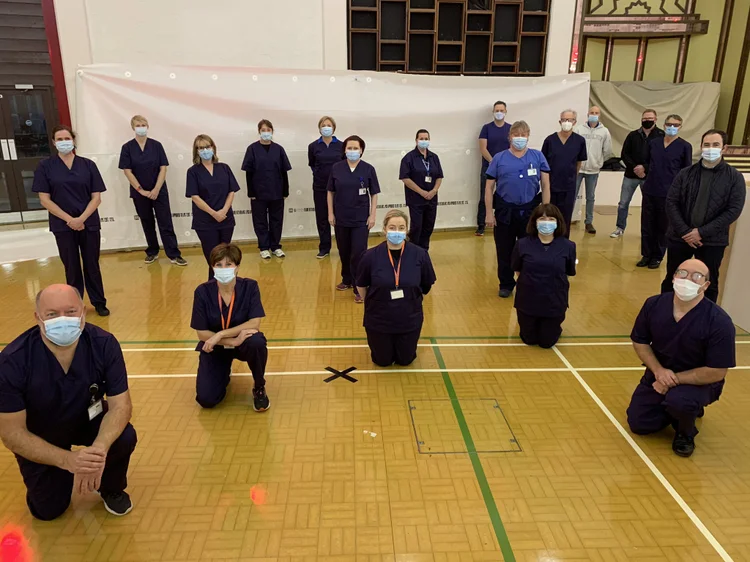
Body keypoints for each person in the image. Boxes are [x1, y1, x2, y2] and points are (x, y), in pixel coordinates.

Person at [0, 284, 137, 520]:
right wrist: (67, 460)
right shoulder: (12, 361)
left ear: (83, 312)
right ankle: (56, 473)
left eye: (71, 311)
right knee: (48, 510)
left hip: (87, 417)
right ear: (38, 318)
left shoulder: (104, 344)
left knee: (124, 436)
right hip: (40, 432)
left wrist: (99, 450)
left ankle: (111, 487)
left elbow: (121, 406)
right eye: (52, 314)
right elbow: (11, 433)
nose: (62, 320)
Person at [626, 259, 735, 457]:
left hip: (698, 382)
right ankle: (683, 409)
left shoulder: (719, 322)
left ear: (706, 285)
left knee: (681, 401)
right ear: (674, 276)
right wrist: (659, 372)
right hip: (659, 374)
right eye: (682, 273)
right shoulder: (654, 304)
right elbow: (640, 342)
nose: (688, 279)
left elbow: (717, 371)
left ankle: (685, 432)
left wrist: (672, 381)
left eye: (696, 276)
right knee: (639, 423)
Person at [33, 126, 110, 317]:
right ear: (53, 142)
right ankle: (73, 305)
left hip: (88, 222)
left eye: (67, 138)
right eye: (59, 139)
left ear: (74, 140)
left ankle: (99, 302)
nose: (64, 141)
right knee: (71, 265)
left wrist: (82, 218)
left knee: (92, 264)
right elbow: (45, 199)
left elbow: (96, 197)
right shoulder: (45, 166)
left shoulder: (88, 165)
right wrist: (70, 220)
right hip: (63, 225)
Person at [661, 129, 746, 302]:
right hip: (680, 238)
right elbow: (671, 202)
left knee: (710, 283)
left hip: (712, 241)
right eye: (706, 145)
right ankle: (665, 315)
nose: (710, 148)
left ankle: (705, 320)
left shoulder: (735, 178)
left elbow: (733, 210)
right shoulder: (685, 174)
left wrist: (701, 232)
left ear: (724, 148)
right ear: (701, 146)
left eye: (715, 145)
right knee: (673, 279)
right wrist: (685, 232)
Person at [190, 243, 270, 412]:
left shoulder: (250, 287)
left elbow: (254, 323)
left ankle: (259, 386)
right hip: (216, 348)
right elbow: (202, 333)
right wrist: (231, 341)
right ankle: (222, 372)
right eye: (218, 265)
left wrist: (220, 334)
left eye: (228, 264)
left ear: (237, 267)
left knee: (256, 341)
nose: (223, 268)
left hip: (243, 343)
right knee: (206, 400)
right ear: (212, 267)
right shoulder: (202, 292)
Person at [356, 209, 436, 366]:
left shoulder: (420, 254)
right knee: (382, 361)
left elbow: (426, 285)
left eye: (401, 227)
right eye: (392, 227)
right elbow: (361, 284)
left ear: (407, 230)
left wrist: (411, 300)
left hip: (409, 319)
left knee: (405, 360)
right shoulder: (370, 256)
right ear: (385, 229)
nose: (396, 232)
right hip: (379, 319)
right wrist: (374, 302)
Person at [485, 120, 551, 299]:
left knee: (529, 250)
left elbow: (545, 184)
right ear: (510, 137)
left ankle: (527, 282)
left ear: (528, 136)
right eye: (516, 135)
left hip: (529, 212)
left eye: (523, 135)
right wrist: (489, 213)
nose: (519, 138)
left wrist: (545, 212)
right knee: (504, 250)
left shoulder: (537, 157)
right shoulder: (499, 158)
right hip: (505, 211)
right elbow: (489, 187)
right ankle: (506, 283)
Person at [118, 115, 187, 266]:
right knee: (147, 222)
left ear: (148, 126)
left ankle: (174, 254)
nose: (141, 127)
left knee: (165, 222)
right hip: (139, 192)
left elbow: (163, 167)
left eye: (144, 124)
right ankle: (152, 251)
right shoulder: (127, 148)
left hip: (159, 191)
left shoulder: (157, 145)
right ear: (133, 127)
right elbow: (127, 171)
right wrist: (140, 190)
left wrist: (156, 189)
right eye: (138, 125)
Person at [511, 204, 576, 348]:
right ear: (534, 221)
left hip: (553, 302)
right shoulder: (522, 244)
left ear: (558, 222)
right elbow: (518, 270)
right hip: (528, 301)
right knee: (529, 339)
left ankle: (553, 326)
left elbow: (568, 271)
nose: (546, 222)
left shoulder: (568, 246)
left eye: (551, 218)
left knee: (547, 342)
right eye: (542, 218)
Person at [327, 135, 380, 303]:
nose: (352, 151)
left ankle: (359, 286)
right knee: (344, 251)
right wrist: (330, 213)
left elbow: (374, 193)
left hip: (360, 219)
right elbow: (330, 192)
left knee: (359, 253)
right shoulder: (336, 168)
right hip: (341, 217)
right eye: (349, 148)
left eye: (355, 148)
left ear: (361, 150)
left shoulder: (368, 169)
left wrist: (372, 215)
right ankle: (347, 279)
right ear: (344, 150)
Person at [638, 114, 692, 270]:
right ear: (664, 125)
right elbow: (647, 163)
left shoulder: (684, 146)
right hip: (650, 189)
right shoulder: (654, 143)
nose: (672, 127)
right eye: (669, 124)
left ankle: (657, 256)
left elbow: (686, 171)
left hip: (669, 192)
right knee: (647, 224)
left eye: (675, 124)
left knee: (663, 226)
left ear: (680, 126)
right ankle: (646, 254)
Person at [186, 134, 240, 280]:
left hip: (225, 219)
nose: (205, 150)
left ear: (213, 148)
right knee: (213, 259)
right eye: (201, 148)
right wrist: (213, 213)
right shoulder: (193, 172)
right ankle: (212, 290)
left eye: (207, 147)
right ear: (196, 151)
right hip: (205, 222)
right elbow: (195, 197)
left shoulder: (224, 168)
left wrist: (223, 211)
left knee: (228, 258)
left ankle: (231, 285)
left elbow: (231, 191)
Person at [242, 119, 292, 260]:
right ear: (259, 132)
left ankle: (276, 246)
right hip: (258, 192)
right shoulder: (252, 149)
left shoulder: (279, 149)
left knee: (277, 219)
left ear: (272, 131)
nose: (266, 133)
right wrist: (251, 192)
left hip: (277, 191)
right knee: (260, 220)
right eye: (263, 130)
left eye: (268, 130)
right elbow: (248, 172)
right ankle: (264, 247)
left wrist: (285, 191)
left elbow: (284, 171)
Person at [611, 109, 664, 238]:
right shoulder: (632, 135)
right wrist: (635, 167)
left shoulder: (661, 135)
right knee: (623, 203)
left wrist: (645, 168)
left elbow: (660, 157)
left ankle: (648, 230)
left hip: (649, 176)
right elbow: (625, 154)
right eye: (645, 118)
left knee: (648, 205)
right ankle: (620, 227)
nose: (647, 121)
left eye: (650, 118)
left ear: (656, 119)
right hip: (630, 175)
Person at [541, 109, 588, 235]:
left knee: (565, 218)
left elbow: (578, 163)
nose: (566, 122)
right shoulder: (550, 140)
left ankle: (563, 245)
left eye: (570, 119)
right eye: (564, 119)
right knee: (549, 217)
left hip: (568, 186)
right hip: (551, 186)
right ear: (559, 121)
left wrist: (572, 177)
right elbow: (543, 163)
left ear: (575, 122)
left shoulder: (579, 141)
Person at [399, 129, 444, 250]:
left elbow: (439, 176)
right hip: (416, 199)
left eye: (426, 139)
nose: (424, 141)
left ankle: (424, 251)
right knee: (416, 227)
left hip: (431, 199)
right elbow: (405, 178)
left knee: (428, 226)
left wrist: (434, 191)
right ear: (416, 140)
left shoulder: (434, 157)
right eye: (421, 139)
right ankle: (412, 250)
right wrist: (422, 192)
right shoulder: (409, 158)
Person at [308, 116, 343, 258]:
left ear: (333, 128)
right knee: (322, 217)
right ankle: (324, 247)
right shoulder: (313, 146)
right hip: (320, 186)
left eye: (329, 125)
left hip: (339, 188)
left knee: (340, 217)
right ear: (319, 128)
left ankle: (343, 247)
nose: (326, 127)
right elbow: (312, 164)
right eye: (324, 125)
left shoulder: (341, 145)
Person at [574, 106, 612, 234]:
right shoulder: (579, 129)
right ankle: (567, 218)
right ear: (587, 114)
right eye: (592, 112)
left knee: (590, 197)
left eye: (596, 113)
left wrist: (598, 162)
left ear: (599, 115)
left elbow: (607, 151)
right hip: (578, 169)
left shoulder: (605, 132)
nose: (594, 115)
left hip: (593, 170)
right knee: (571, 195)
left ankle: (588, 222)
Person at [476, 101, 511, 236]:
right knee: (485, 195)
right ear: (493, 111)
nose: (499, 112)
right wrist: (493, 162)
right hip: (488, 167)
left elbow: (513, 148)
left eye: (501, 110)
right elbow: (483, 148)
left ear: (506, 111)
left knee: (506, 195)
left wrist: (503, 164)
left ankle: (503, 222)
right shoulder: (486, 128)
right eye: (497, 110)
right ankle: (481, 225)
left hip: (506, 168)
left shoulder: (510, 128)